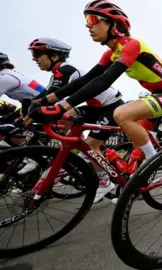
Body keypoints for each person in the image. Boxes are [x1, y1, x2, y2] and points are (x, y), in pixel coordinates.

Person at [26, 0, 162, 169]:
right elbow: (85, 80)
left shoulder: (132, 45)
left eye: (93, 20)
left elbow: (104, 81)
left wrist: (61, 107)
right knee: (133, 154)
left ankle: (153, 163)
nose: (88, 26)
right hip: (155, 94)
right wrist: (45, 101)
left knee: (121, 114)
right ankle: (132, 177)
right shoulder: (111, 53)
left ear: (113, 24)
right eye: (87, 21)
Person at [27, 37, 124, 203]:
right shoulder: (57, 72)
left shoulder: (66, 70)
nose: (34, 59)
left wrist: (32, 110)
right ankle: (72, 151)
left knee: (92, 144)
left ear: (55, 56)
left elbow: (53, 97)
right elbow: (43, 97)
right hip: (95, 107)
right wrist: (27, 109)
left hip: (111, 106)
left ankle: (104, 182)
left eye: (37, 54)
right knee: (64, 120)